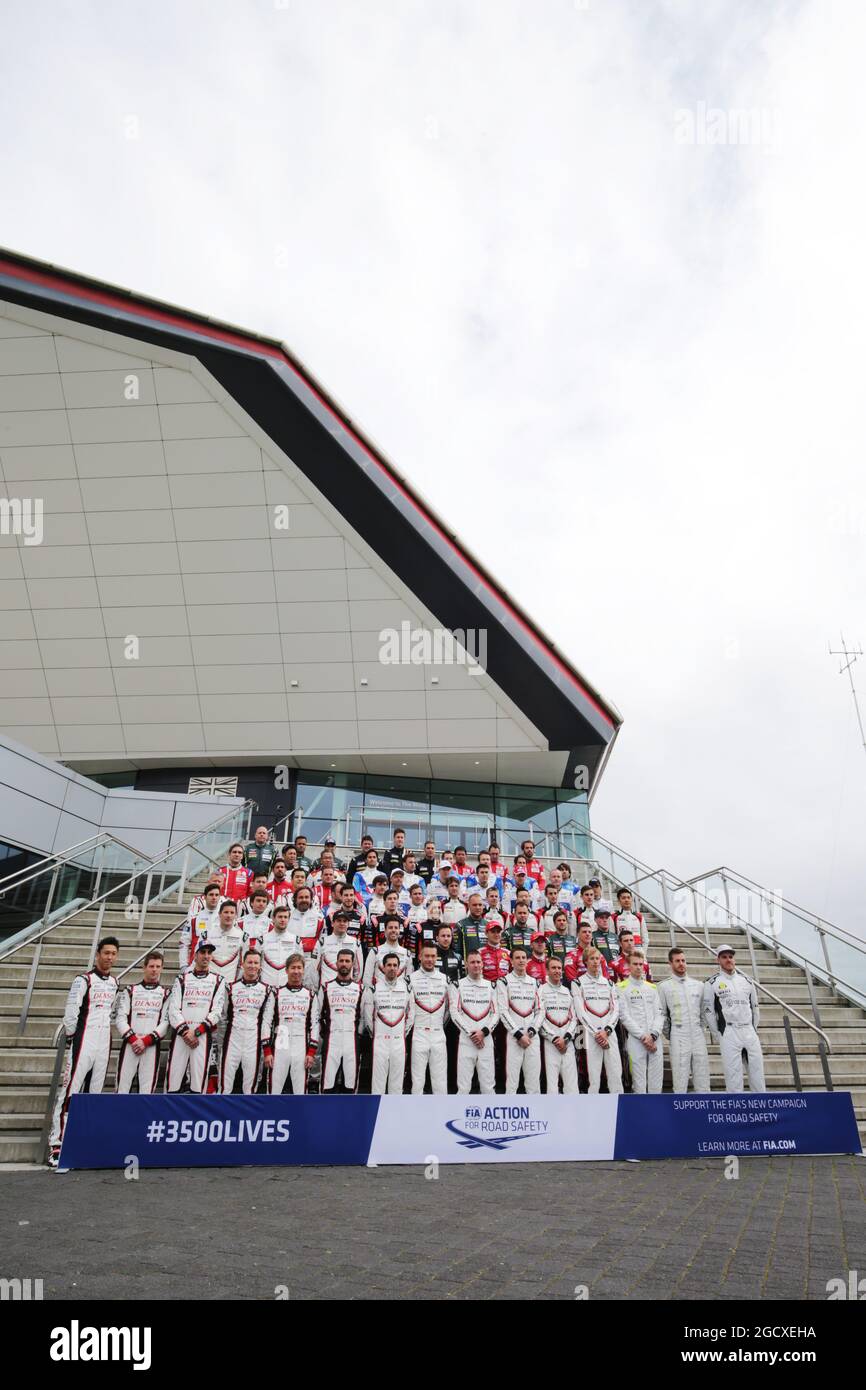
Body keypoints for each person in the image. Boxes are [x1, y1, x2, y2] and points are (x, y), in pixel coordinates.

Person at [49, 937, 120, 1164]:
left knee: (95, 1093)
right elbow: (71, 1012)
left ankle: (84, 1140)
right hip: (83, 1039)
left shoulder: (114, 983)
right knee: (71, 1090)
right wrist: (72, 1036)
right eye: (106, 953)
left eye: (113, 954)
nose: (109, 957)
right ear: (98, 954)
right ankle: (57, 1144)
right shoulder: (83, 980)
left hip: (103, 1039)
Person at [702, 944, 765, 1093]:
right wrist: (718, 1033)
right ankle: (737, 1112)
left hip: (749, 1030)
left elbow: (755, 1007)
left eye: (730, 957)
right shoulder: (712, 983)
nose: (728, 960)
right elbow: (708, 1011)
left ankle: (762, 1112)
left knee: (757, 1074)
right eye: (724, 957)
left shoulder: (747, 981)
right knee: (733, 1077)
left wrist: (753, 1028)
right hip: (729, 1031)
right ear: (718, 960)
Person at [165, 942, 226, 1094]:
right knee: (173, 1082)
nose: (206, 956)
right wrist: (187, 1032)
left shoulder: (219, 980)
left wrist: (197, 1032)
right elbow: (173, 1009)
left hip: (202, 1037)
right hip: (181, 1036)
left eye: (209, 953)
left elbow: (216, 1012)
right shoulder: (182, 979)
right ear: (195, 955)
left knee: (198, 1085)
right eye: (202, 952)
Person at [115, 950, 170, 1094]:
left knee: (146, 1093)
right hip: (130, 1045)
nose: (154, 970)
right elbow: (120, 1018)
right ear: (144, 967)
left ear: (162, 968)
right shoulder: (130, 990)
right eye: (151, 966)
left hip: (151, 1046)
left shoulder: (166, 993)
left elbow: (166, 1022)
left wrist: (145, 1041)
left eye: (158, 966)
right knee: (122, 1090)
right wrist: (134, 1040)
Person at [220, 950, 275, 1095]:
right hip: (232, 1041)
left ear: (260, 966)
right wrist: (221, 1042)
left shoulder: (267, 990)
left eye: (256, 963)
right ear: (242, 964)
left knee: (250, 1088)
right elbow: (223, 1017)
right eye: (249, 962)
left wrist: (265, 1046)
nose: (252, 966)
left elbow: (267, 1022)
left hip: (254, 1043)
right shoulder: (230, 988)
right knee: (225, 1086)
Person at [657, 948, 710, 1092]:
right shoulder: (663, 986)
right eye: (677, 961)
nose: (681, 964)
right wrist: (671, 1034)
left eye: (683, 960)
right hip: (678, 1035)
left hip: (698, 1033)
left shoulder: (699, 985)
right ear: (670, 963)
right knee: (680, 1080)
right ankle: (680, 1113)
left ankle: (704, 1112)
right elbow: (661, 1014)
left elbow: (704, 1012)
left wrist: (701, 1028)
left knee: (703, 1077)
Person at [573, 946, 623, 1095]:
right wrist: (596, 1033)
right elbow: (581, 1012)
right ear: (585, 962)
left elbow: (615, 1010)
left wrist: (607, 1031)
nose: (595, 962)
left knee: (615, 1074)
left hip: (609, 1033)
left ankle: (620, 1109)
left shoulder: (609, 983)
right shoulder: (578, 983)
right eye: (592, 959)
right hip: (590, 1035)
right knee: (593, 1077)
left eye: (598, 959)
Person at [363, 951, 414, 1095]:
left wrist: (404, 1033)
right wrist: (376, 1034)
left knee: (397, 1085)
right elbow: (368, 1017)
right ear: (383, 968)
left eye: (395, 965)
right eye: (389, 965)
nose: (392, 968)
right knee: (378, 1083)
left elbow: (411, 1014)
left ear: (399, 968)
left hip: (399, 1041)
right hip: (380, 1041)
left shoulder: (407, 988)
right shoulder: (373, 989)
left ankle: (395, 1115)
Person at [269, 953, 320, 1094]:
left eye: (299, 968)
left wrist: (311, 1052)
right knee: (275, 1090)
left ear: (303, 970)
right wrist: (267, 1051)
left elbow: (315, 1025)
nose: (296, 971)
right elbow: (267, 1023)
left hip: (301, 1046)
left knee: (300, 1091)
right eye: (293, 968)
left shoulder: (310, 995)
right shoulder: (276, 994)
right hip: (281, 1044)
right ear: (286, 970)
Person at [449, 951, 499, 1094]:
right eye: (472, 962)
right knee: (463, 1088)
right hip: (466, 1041)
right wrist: (472, 1034)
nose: (476, 965)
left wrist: (483, 1033)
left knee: (488, 1088)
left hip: (486, 1041)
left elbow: (496, 1013)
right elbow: (454, 1012)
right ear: (466, 965)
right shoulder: (457, 985)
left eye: (478, 962)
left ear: (482, 964)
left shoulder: (491, 986)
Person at [617, 949, 664, 1094]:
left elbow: (660, 1013)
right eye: (635, 964)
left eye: (640, 964)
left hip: (655, 1039)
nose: (638, 967)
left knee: (656, 1084)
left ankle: (656, 1115)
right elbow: (624, 1016)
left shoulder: (652, 987)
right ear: (628, 966)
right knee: (639, 1084)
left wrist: (653, 1035)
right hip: (636, 1041)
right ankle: (641, 1115)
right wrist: (643, 1037)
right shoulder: (621, 987)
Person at [497, 947, 541, 1094]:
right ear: (511, 961)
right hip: (514, 1037)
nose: (521, 960)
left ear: (528, 961)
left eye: (524, 957)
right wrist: (518, 1034)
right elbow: (503, 1011)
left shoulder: (535, 982)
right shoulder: (503, 981)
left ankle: (536, 1114)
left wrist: (531, 1032)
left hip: (532, 1037)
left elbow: (540, 1010)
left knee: (533, 1082)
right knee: (512, 1082)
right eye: (517, 958)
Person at [319, 953, 364, 1093]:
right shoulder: (326, 987)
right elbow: (317, 1015)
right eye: (341, 961)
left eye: (347, 961)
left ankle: (350, 1114)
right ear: (336, 963)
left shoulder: (360, 988)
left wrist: (358, 1035)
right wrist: (324, 1033)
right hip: (332, 1038)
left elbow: (363, 1016)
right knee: (327, 1084)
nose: (344, 964)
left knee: (350, 1085)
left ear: (352, 964)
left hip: (351, 1039)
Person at [410, 943, 450, 1094]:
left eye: (433, 956)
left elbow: (448, 1009)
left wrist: (440, 1025)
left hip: (439, 1033)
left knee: (440, 1081)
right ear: (420, 957)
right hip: (419, 1033)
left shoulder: (444, 979)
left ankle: (441, 1115)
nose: (429, 959)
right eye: (426, 956)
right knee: (418, 1081)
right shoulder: (410, 979)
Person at [538, 956, 579, 1095]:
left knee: (572, 1086)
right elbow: (539, 1019)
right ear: (547, 971)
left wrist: (566, 1038)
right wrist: (554, 1038)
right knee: (552, 1086)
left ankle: (573, 1115)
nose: (557, 971)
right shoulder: (541, 990)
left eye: (559, 968)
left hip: (568, 1043)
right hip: (550, 1043)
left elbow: (574, 1018)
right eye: (553, 968)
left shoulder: (567, 991)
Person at [197, 899, 249, 982]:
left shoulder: (243, 937)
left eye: (232, 913)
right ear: (219, 914)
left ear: (236, 916)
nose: (229, 915)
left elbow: (244, 965)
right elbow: (197, 960)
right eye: (226, 912)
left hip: (230, 984)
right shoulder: (206, 935)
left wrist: (237, 982)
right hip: (208, 983)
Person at [178, 881, 222, 971]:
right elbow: (184, 943)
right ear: (205, 897)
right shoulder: (194, 919)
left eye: (216, 895)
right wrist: (183, 965)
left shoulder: (225, 919)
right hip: (195, 967)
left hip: (217, 967)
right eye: (211, 895)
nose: (214, 897)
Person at [258, 904, 303, 989]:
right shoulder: (262, 939)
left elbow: (300, 964)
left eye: (285, 917)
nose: (283, 920)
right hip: (266, 985)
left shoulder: (296, 940)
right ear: (273, 919)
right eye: (280, 917)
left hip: (287, 986)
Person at [314, 910, 363, 986]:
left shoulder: (355, 942)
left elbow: (358, 971)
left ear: (348, 924)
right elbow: (315, 969)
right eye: (339, 920)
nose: (342, 923)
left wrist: (353, 985)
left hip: (348, 989)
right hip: (326, 989)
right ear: (332, 923)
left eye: (345, 921)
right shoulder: (322, 942)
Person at [362, 913, 411, 988]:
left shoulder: (407, 953)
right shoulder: (375, 951)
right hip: (380, 996)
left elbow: (409, 980)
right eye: (390, 927)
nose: (393, 930)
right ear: (385, 931)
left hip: (400, 996)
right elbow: (367, 978)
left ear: (399, 931)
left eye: (396, 928)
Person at [287, 885, 325, 955]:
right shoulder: (287, 916)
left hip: (311, 957)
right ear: (295, 900)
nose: (304, 900)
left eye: (306, 897)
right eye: (301, 897)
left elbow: (323, 942)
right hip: (291, 955)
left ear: (311, 900)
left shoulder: (319, 918)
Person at [456, 893, 488, 958]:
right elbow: (456, 951)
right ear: (469, 906)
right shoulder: (460, 925)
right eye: (474, 905)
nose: (478, 907)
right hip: (468, 966)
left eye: (480, 905)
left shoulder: (488, 925)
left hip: (486, 965)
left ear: (483, 906)